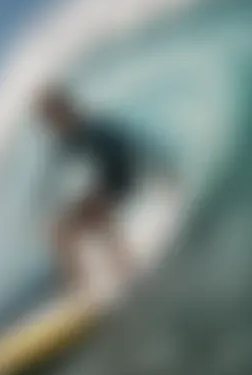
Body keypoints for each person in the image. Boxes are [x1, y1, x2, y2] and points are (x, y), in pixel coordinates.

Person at [35, 82, 176, 293]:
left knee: (96, 211)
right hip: (105, 185)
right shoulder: (66, 141)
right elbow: (52, 177)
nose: (53, 125)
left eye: (54, 116)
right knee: (59, 230)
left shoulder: (95, 128)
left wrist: (162, 172)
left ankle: (126, 269)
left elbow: (134, 144)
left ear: (66, 109)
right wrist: (49, 205)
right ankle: (80, 287)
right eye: (49, 121)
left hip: (126, 177)